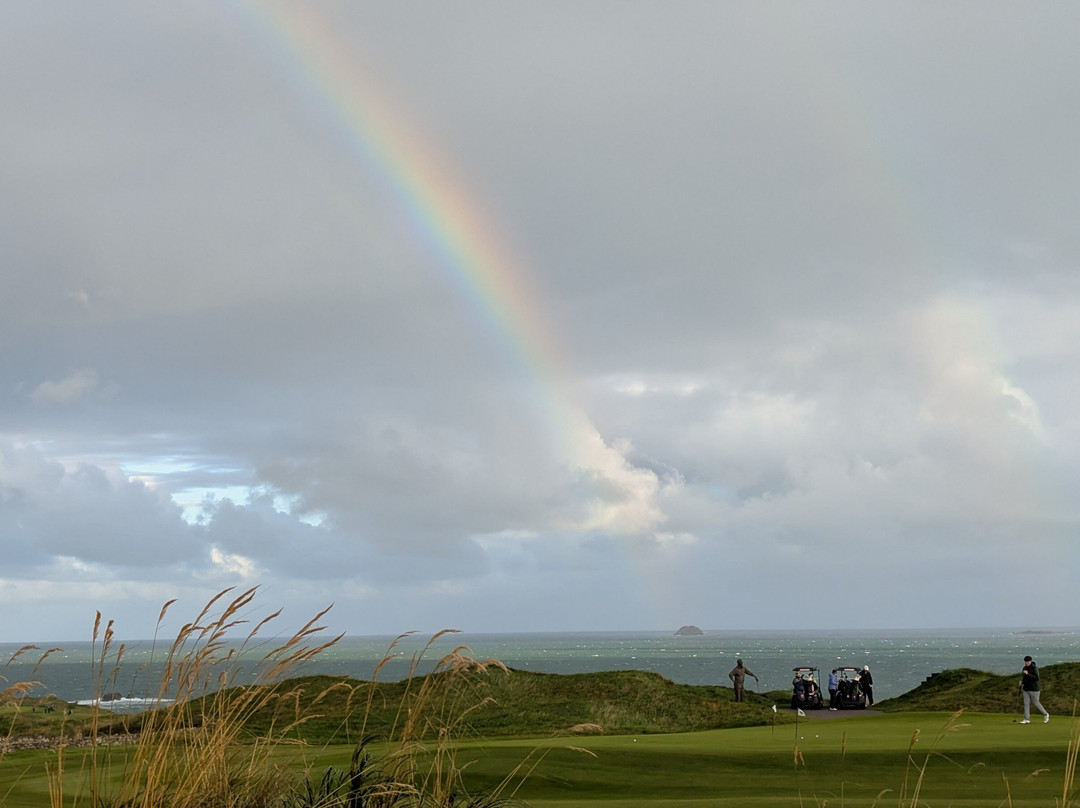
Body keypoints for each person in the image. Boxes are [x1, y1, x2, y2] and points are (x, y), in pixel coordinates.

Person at [1020, 655, 1050, 724]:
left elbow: (1036, 678)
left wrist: (1028, 674)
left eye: (1027, 661)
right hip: (1026, 688)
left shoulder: (1034, 668)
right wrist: (1022, 682)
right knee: (1026, 704)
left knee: (1036, 703)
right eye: (1025, 661)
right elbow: (1025, 677)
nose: (1026, 663)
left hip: (1034, 689)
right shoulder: (1024, 668)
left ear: (1030, 661)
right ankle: (1026, 719)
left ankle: (1046, 714)